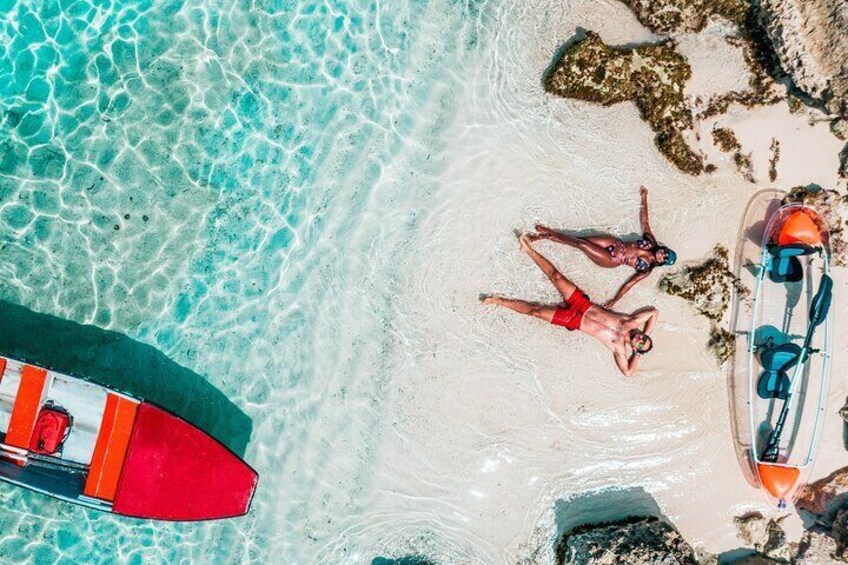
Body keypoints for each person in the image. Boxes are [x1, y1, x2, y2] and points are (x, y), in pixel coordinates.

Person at [481, 234, 659, 378]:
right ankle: (528, 249)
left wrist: (638, 354)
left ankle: (499, 301)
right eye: (644, 338)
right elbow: (654, 312)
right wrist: (648, 333)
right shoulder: (631, 322)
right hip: (583, 304)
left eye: (641, 344)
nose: (640, 339)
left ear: (636, 349)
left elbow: (628, 373)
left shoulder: (619, 348)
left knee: (536, 311)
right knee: (556, 276)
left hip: (574, 320)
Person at [528, 186, 676, 308]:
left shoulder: (647, 269)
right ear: (664, 249)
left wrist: (615, 300)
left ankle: (548, 234)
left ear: (662, 262)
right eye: (666, 252)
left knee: (581, 244)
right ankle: (548, 236)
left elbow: (629, 284)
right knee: (579, 239)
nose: (662, 255)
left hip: (611, 259)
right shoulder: (650, 240)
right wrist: (644, 197)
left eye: (665, 258)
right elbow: (645, 221)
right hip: (614, 243)